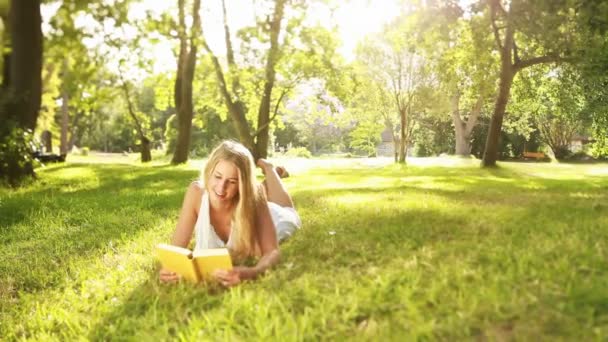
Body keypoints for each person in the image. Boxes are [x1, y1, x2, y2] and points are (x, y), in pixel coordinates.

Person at [159, 140, 301, 287]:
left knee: (288, 212)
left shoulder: (254, 196)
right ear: (209, 171)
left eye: (232, 181)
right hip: (249, 197)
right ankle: (270, 176)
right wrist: (169, 269)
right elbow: (176, 250)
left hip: (275, 217)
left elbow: (272, 252)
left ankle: (270, 169)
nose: (221, 188)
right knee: (256, 192)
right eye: (218, 177)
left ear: (242, 185)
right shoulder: (196, 192)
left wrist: (251, 273)